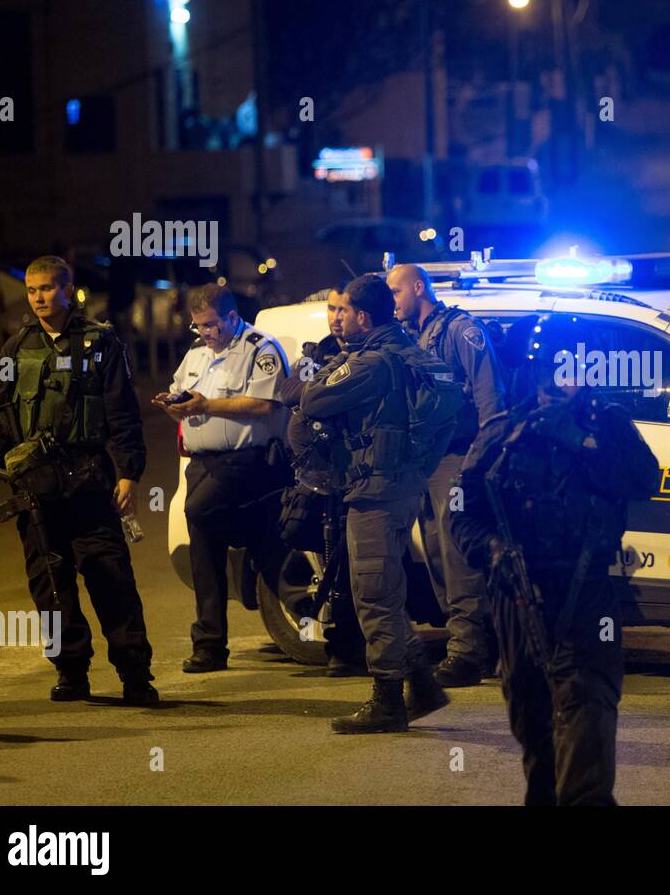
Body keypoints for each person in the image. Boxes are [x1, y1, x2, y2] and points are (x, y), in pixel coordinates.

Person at [453, 314, 660, 805]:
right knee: (532, 719)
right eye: (555, 365)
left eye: (577, 365)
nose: (565, 376)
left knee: (587, 709)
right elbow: (462, 511)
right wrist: (491, 550)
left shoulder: (608, 424)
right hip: (517, 595)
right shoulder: (504, 431)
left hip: (586, 591)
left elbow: (644, 480)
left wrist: (583, 444)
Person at [0, 255, 157, 704]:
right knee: (50, 585)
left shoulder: (101, 344)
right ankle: (71, 672)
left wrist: (129, 474)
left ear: (67, 290)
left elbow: (122, 414)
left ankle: (135, 675)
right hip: (34, 488)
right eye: (32, 290)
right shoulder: (14, 349)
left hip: (89, 482)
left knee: (110, 579)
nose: (38, 298)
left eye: (47, 289)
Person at [300, 273, 457, 733]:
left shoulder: (371, 363)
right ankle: (422, 686)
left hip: (374, 490)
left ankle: (387, 699)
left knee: (373, 594)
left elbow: (311, 399)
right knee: (386, 589)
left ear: (363, 317)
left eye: (344, 310)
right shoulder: (408, 351)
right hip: (402, 485)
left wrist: (333, 364)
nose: (338, 317)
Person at [157, 284, 291, 673]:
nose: (205, 333)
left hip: (247, 460)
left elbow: (265, 405)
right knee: (204, 549)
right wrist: (173, 407)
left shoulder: (259, 349)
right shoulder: (196, 355)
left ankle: (255, 544)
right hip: (201, 463)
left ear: (232, 317)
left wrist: (207, 404)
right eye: (198, 326)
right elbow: (183, 397)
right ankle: (210, 645)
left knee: (199, 511)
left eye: (212, 325)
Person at [386, 262, 508, 688]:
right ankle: (478, 643)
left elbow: (490, 397)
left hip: (459, 458)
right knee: (438, 552)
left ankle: (467, 652)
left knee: (457, 555)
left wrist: (482, 461)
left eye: (396, 293)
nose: (392, 302)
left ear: (418, 288)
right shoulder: (412, 335)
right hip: (427, 460)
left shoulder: (460, 330)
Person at [277, 282, 365, 676]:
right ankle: (338, 646)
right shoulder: (318, 352)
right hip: (320, 478)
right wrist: (321, 390)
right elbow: (288, 390)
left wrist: (322, 394)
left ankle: (351, 645)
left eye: (341, 310)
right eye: (330, 309)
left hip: (357, 475)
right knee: (328, 561)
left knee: (354, 567)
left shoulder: (368, 352)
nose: (334, 317)